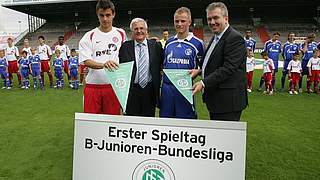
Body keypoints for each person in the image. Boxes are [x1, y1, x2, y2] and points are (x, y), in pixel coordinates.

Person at [191, 2, 248, 121]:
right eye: (209, 19)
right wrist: (200, 70)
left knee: (225, 138)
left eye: (216, 18)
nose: (212, 22)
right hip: (217, 100)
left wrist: (203, 83)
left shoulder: (234, 38)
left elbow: (228, 68)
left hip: (228, 102)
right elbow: (215, 62)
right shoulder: (217, 36)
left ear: (226, 18)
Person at [79, 0, 126, 114]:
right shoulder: (89, 36)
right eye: (102, 15)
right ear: (97, 15)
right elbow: (86, 61)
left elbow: (126, 56)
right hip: (93, 86)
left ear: (113, 14)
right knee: (92, 124)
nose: (105, 19)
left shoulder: (121, 34)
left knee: (112, 123)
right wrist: (103, 65)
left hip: (113, 86)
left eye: (108, 15)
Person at [160, 7, 204, 119]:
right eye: (177, 21)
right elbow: (163, 64)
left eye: (183, 21)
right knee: (165, 122)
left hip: (185, 89)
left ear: (189, 22)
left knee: (185, 123)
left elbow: (205, 67)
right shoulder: (169, 42)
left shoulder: (198, 44)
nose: (179, 24)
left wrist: (198, 71)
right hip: (167, 89)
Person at [118, 18, 163, 117]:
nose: (139, 31)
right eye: (136, 29)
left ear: (146, 30)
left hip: (150, 91)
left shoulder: (156, 46)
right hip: (131, 91)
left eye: (142, 28)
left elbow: (162, 65)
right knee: (130, 122)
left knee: (148, 122)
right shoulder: (125, 47)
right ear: (132, 31)